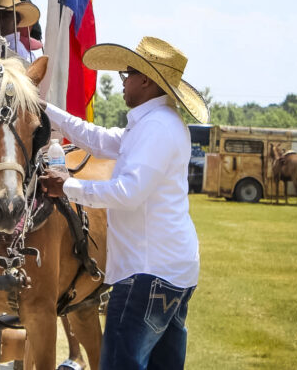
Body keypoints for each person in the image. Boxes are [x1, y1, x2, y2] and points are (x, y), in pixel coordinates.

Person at [39, 36, 209, 370]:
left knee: (119, 363)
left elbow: (128, 192)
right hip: (170, 269)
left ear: (145, 80)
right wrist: (45, 109)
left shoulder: (156, 127)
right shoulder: (155, 124)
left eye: (126, 75)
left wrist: (67, 186)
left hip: (148, 273)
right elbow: (97, 138)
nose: (123, 83)